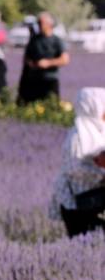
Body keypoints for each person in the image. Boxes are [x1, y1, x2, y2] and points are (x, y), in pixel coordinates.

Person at [48, 87, 105, 238]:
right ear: (93, 108)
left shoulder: (100, 131)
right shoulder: (78, 136)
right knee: (85, 241)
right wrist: (101, 172)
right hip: (76, 203)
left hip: (95, 200)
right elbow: (74, 168)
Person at [18, 12, 70, 104]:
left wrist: (48, 63)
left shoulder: (57, 41)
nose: (38, 25)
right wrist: (33, 64)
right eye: (38, 23)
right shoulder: (34, 40)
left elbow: (65, 59)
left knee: (51, 106)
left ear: (49, 24)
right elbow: (27, 58)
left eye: (40, 23)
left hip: (50, 80)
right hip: (34, 80)